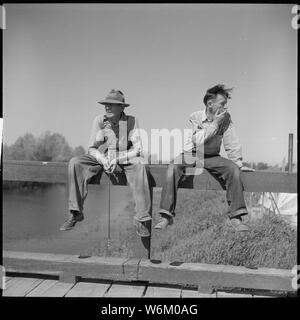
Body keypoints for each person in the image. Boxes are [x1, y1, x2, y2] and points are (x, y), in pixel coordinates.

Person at [154, 84, 254, 232]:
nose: (225, 108)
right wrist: (215, 124)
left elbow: (231, 141)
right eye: (222, 104)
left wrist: (238, 162)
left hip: (211, 157)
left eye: (226, 105)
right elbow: (198, 141)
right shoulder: (195, 117)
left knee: (232, 169)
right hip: (192, 154)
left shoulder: (225, 118)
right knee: (172, 168)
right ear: (210, 104)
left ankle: (236, 217)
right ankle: (166, 216)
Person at [60, 89, 152, 237]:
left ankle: (141, 219)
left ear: (122, 107)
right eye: (106, 104)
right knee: (75, 162)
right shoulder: (99, 120)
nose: (107, 107)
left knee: (141, 165)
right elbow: (92, 148)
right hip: (101, 157)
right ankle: (75, 212)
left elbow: (138, 149)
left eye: (112, 104)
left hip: (124, 157)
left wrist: (117, 159)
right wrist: (103, 160)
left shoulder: (131, 121)